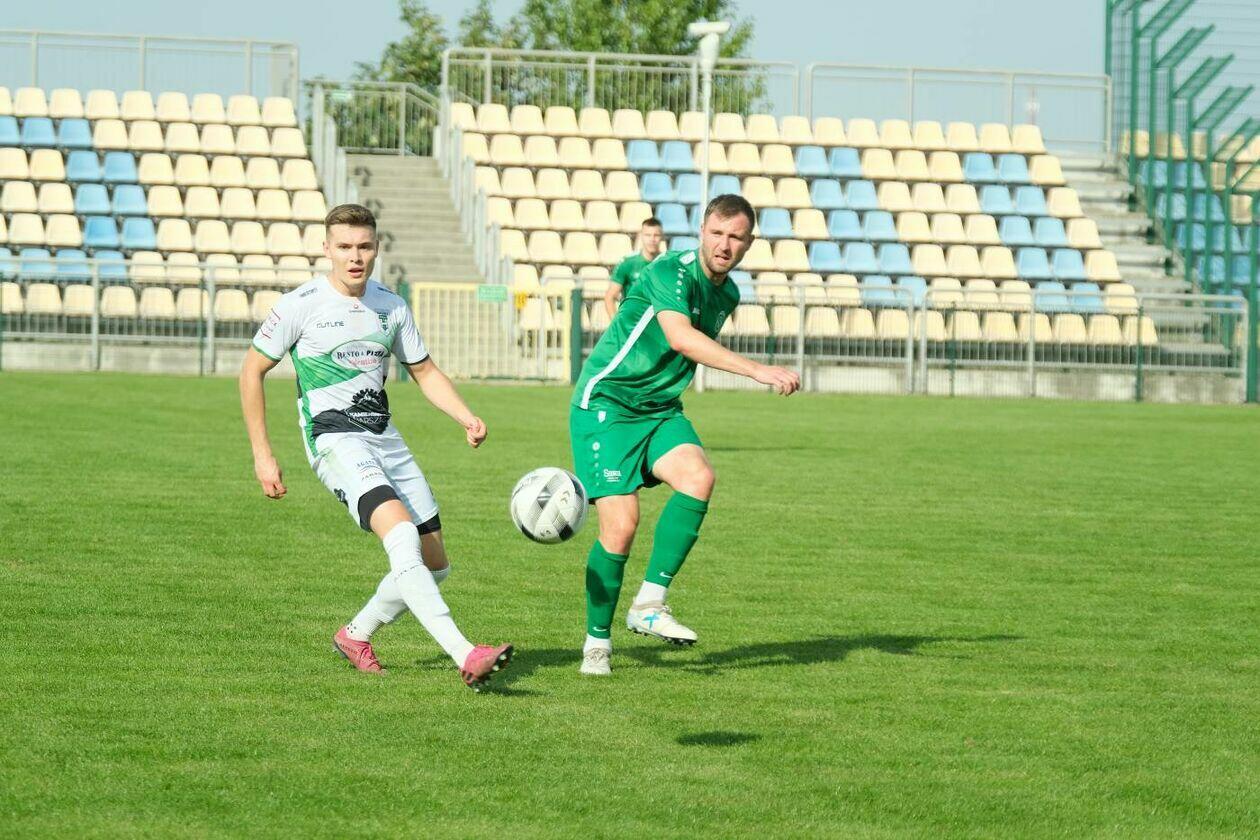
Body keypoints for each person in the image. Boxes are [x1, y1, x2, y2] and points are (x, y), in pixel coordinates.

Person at [239, 203, 512, 690]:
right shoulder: (299, 305)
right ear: (326, 249)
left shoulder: (391, 306)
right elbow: (251, 371)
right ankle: (466, 653)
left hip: (386, 438)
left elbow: (423, 370)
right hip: (335, 439)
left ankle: (356, 634)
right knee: (401, 535)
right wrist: (263, 454)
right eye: (344, 247)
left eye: (364, 246)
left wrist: (465, 415)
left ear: (377, 248)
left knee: (435, 564)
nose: (355, 256)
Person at [569, 194, 801, 676]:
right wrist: (756, 370)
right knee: (622, 527)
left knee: (699, 477)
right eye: (717, 233)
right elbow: (680, 336)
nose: (724, 245)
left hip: (658, 408)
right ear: (701, 231)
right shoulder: (669, 271)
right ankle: (596, 643)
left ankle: (649, 603)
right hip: (608, 403)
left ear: (749, 243)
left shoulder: (728, 294)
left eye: (735, 237)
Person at [604, 217, 664, 320]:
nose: (652, 239)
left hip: (658, 322)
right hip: (632, 321)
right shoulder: (628, 263)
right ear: (641, 236)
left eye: (656, 235)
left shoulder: (667, 263)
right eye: (648, 235)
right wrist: (616, 324)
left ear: (662, 237)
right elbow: (610, 296)